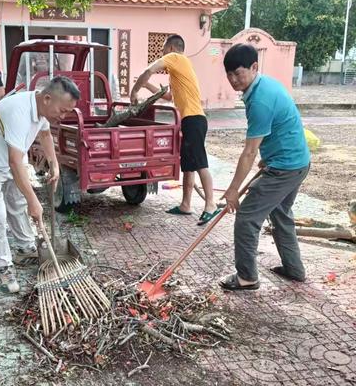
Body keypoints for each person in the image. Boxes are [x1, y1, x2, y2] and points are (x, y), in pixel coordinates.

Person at [0, 76, 80, 293]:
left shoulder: (41, 109)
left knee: (17, 204)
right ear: (47, 98)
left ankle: (25, 248)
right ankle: (4, 269)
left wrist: (54, 164)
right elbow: (15, 161)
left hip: (8, 161)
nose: (63, 116)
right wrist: (34, 202)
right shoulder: (19, 113)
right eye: (63, 110)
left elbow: (45, 134)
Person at [219, 44, 310, 291]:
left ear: (254, 67)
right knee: (281, 215)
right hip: (296, 162)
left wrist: (233, 190)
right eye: (229, 75)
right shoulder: (263, 86)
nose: (233, 79)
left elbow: (249, 152)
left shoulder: (260, 99)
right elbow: (278, 129)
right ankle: (294, 269)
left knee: (247, 218)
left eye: (238, 73)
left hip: (285, 167)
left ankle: (247, 277)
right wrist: (269, 155)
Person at [130, 34, 219, 225]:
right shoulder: (180, 68)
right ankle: (186, 205)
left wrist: (134, 91)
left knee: (201, 162)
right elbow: (170, 97)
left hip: (194, 119)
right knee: (189, 165)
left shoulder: (176, 58)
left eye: (163, 48)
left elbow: (148, 70)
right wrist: (146, 85)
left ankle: (210, 204)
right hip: (190, 120)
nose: (162, 52)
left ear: (170, 48)